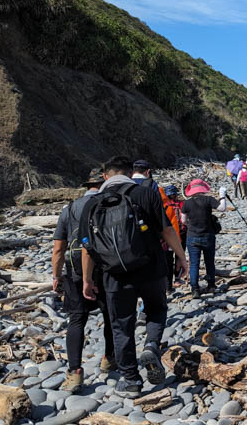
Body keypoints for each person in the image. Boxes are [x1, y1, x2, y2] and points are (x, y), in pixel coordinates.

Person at [80, 156, 188, 398]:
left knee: (121, 326)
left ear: (105, 176)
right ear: (130, 174)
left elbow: (86, 248)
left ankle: (131, 380)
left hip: (114, 276)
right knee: (157, 309)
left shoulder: (91, 203)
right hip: (151, 268)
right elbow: (167, 229)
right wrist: (181, 257)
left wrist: (87, 280)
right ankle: (151, 344)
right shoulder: (146, 193)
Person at [52, 167, 116, 393]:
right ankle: (109, 358)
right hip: (106, 267)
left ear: (87, 186)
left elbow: (59, 247)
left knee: (77, 319)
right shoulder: (111, 203)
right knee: (110, 315)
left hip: (74, 269)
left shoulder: (70, 208)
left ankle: (75, 372)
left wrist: (56, 275)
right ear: (104, 183)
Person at [180, 179, 230, 299]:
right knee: (209, 261)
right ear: (203, 188)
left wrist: (191, 225)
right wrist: (222, 196)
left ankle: (195, 289)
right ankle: (211, 285)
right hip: (208, 235)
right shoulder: (209, 200)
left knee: (194, 264)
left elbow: (183, 221)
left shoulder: (186, 203)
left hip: (192, 236)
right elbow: (222, 208)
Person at [160, 184, 184, 290]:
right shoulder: (176, 206)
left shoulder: (158, 207)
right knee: (178, 257)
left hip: (162, 240)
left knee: (166, 262)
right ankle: (176, 279)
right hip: (178, 235)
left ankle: (166, 286)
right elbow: (178, 223)